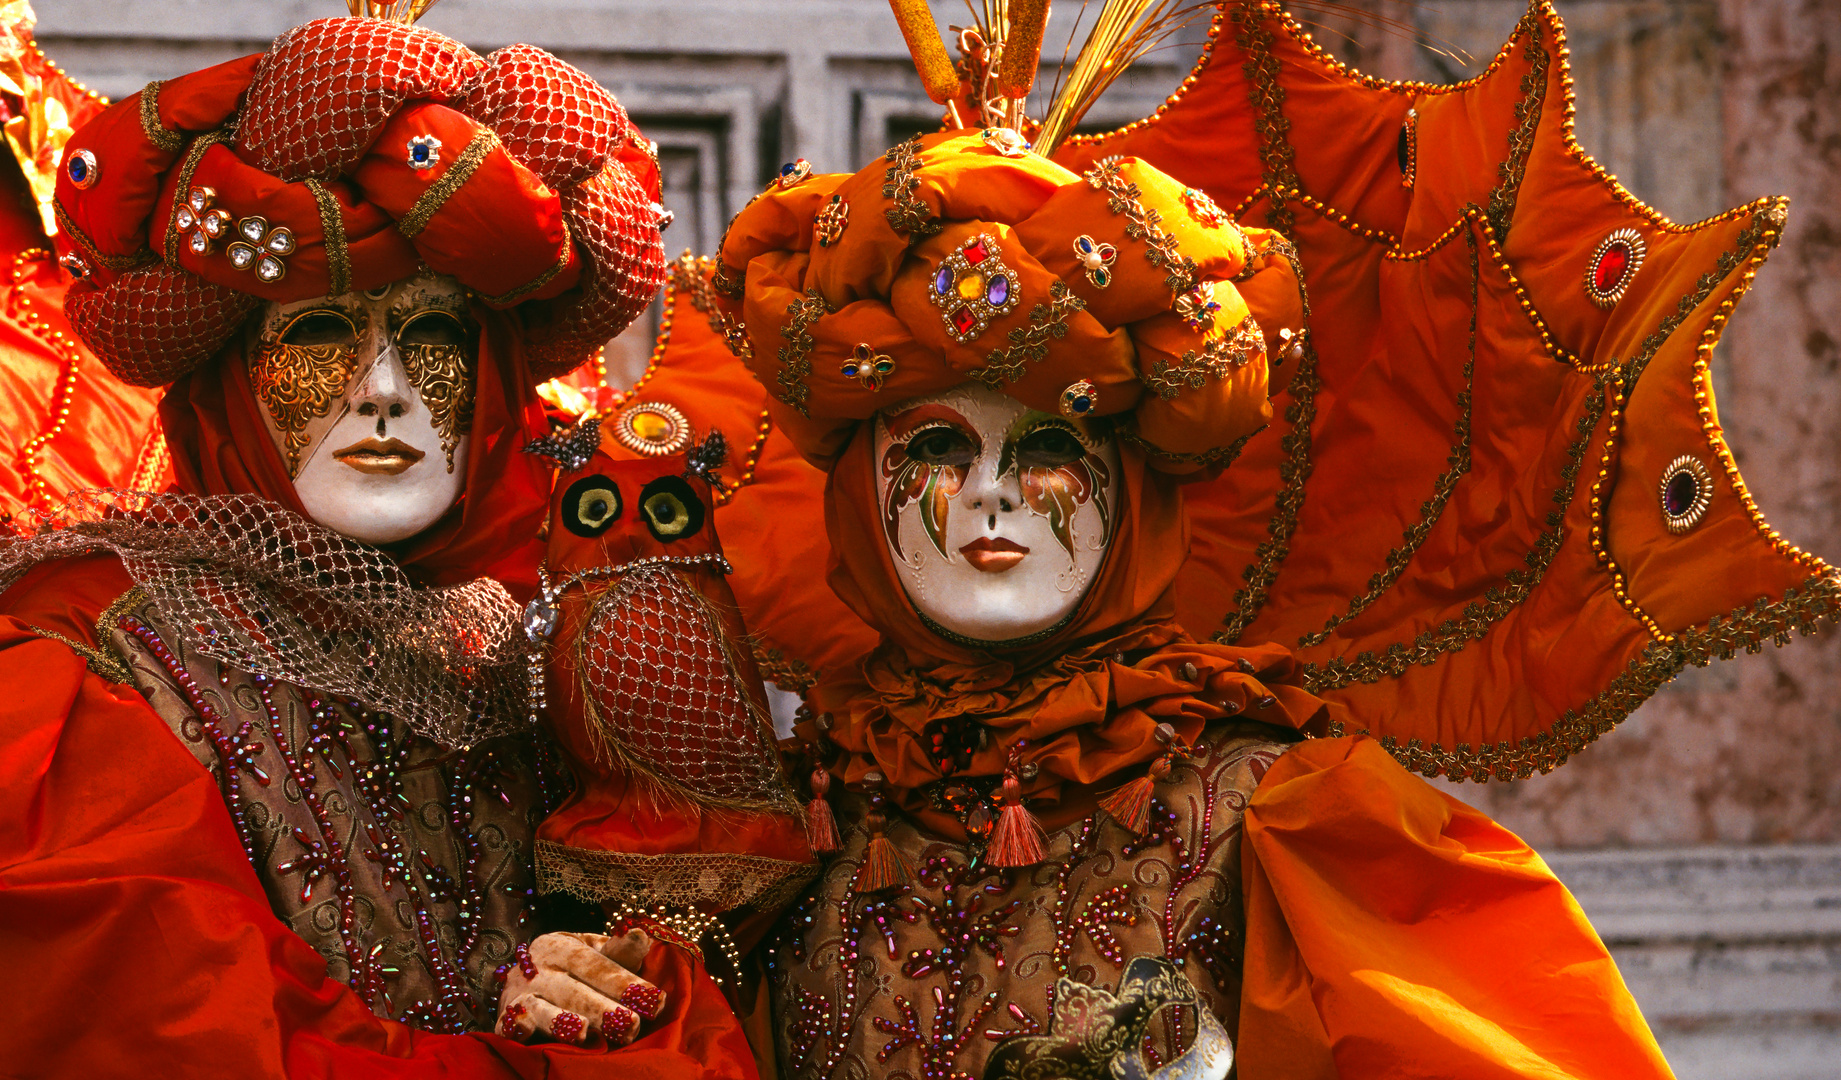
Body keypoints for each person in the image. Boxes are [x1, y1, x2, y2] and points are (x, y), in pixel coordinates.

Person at [639, 1, 1838, 1077]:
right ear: (856, 496)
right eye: (935, 455)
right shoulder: (784, 827)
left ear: (1135, 489)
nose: (988, 500)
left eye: (1050, 450)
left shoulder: (1281, 812)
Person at [0, 6, 759, 1075]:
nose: (389, 395)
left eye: (435, 337)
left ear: (496, 376)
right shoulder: (87, 667)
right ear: (226, 376)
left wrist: (609, 970)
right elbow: (187, 1030)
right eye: (319, 335)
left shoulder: (561, 633)